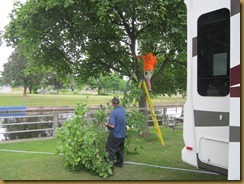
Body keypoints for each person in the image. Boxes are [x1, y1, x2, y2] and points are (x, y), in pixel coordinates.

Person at [105, 97, 126, 171]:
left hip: (115, 134)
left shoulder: (113, 112)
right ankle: (120, 164)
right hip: (122, 134)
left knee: (110, 149)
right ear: (119, 103)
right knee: (120, 149)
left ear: (113, 104)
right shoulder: (123, 110)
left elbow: (112, 125)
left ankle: (110, 167)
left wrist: (107, 124)